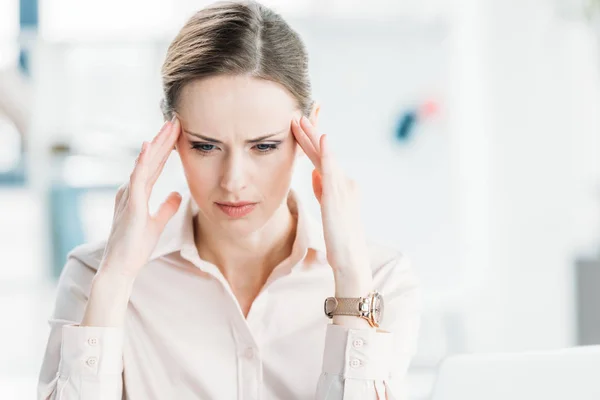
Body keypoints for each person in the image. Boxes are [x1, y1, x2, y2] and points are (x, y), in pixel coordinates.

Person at [36, 1, 421, 399]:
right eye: (205, 146)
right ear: (170, 137)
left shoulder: (380, 280)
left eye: (264, 146)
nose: (233, 181)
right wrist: (115, 281)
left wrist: (350, 283)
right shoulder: (94, 275)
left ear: (308, 134)